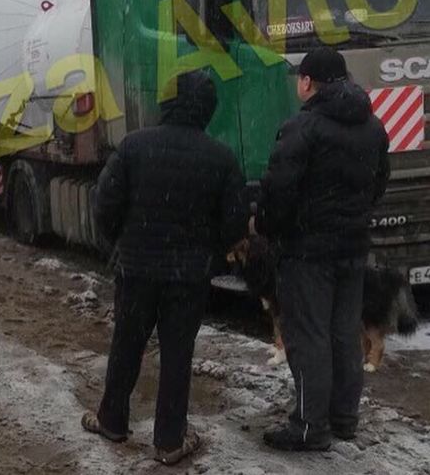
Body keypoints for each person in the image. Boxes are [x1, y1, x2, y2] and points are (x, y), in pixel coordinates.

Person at [83, 70, 245, 466]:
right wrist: (209, 252)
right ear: (207, 110)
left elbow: (104, 204)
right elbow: (234, 224)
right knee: (177, 354)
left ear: (168, 103)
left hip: (136, 270)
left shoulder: (135, 146)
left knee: (127, 344)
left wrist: (120, 243)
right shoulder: (221, 157)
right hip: (188, 277)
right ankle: (170, 441)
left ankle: (112, 420)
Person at [255, 47, 389, 451]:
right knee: (344, 333)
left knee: (308, 335)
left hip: (307, 252)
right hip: (352, 247)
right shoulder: (373, 126)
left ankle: (309, 427)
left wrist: (268, 228)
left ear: (308, 82)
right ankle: (344, 418)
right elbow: (379, 182)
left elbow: (278, 191)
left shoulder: (303, 128)